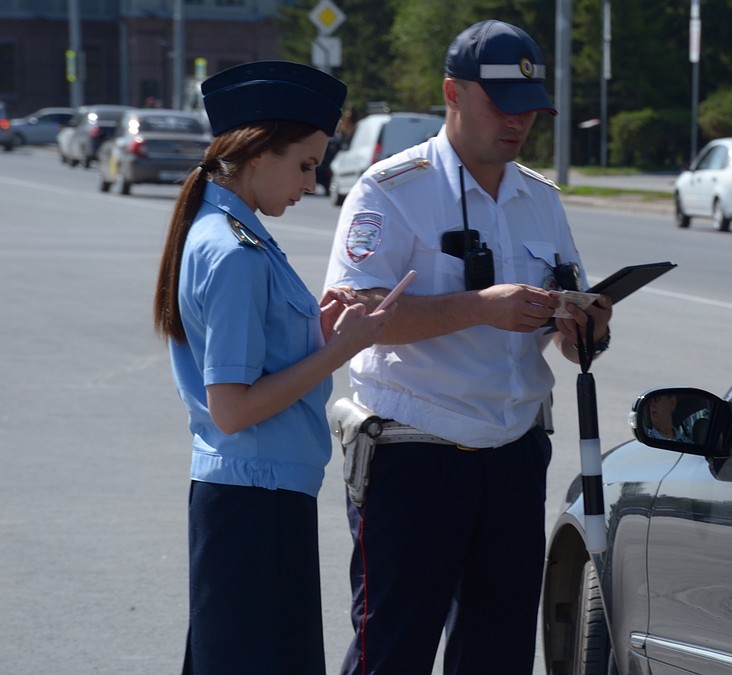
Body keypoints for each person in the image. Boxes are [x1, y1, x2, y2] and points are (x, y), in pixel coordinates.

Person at [324, 19, 613, 675]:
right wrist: (478, 308)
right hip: (413, 455)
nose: (518, 125)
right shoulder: (392, 190)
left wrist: (585, 327)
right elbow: (356, 315)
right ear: (453, 93)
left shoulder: (539, 199)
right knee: (392, 651)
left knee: (498, 654)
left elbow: (575, 335)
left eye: (530, 113)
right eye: (502, 107)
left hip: (511, 457)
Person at [153, 61, 394, 674]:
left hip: (258, 497)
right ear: (258, 153)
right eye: (305, 165)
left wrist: (322, 334)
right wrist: (342, 349)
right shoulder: (234, 249)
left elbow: (256, 363)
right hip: (252, 502)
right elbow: (232, 408)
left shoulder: (233, 233)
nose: (311, 183)